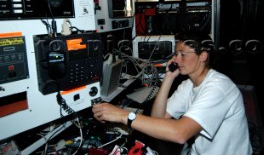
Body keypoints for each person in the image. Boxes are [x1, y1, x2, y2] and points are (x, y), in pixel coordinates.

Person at [92, 30, 253, 155]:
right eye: (176, 54)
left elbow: (180, 133)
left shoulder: (218, 87)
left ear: (203, 56)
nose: (176, 59)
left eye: (183, 54)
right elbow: (158, 118)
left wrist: (123, 115)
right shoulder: (188, 84)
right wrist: (168, 78)